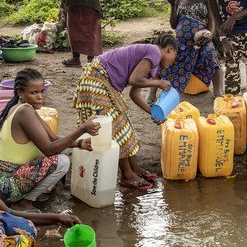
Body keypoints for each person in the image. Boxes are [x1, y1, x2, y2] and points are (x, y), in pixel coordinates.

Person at [73, 37, 178, 190]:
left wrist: (153, 113)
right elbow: (134, 79)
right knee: (115, 125)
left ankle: (134, 168)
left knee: (123, 122)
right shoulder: (154, 52)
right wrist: (158, 83)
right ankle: (127, 174)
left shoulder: (153, 66)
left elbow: (134, 94)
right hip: (97, 77)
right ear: (169, 49)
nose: (173, 61)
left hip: (104, 81)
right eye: (175, 55)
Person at [0, 68, 98, 210]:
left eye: (42, 91)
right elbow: (48, 149)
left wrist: (80, 143)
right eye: (34, 93)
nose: (40, 96)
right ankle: (24, 202)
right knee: (62, 161)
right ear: (20, 93)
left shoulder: (24, 108)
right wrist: (82, 129)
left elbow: (52, 137)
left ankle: (24, 195)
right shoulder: (24, 111)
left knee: (63, 152)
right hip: (2, 185)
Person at [162, 0, 221, 95]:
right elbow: (173, 25)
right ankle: (152, 92)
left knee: (210, 53)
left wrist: (209, 36)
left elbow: (212, 20)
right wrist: (172, 6)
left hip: (200, 40)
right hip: (181, 42)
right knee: (163, 57)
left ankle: (218, 91)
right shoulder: (179, 0)